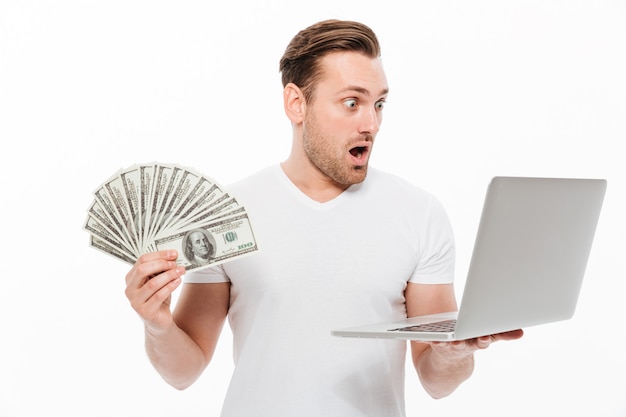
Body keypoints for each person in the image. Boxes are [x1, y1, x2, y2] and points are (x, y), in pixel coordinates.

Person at [124, 19, 523, 416]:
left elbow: (436, 381)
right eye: (352, 103)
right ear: (296, 103)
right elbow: (183, 371)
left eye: (378, 103)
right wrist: (158, 324)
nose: (371, 124)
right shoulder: (227, 214)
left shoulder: (419, 214)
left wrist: (453, 354)